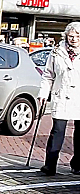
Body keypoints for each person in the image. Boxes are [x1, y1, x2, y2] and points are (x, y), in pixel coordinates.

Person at [38, 22, 80, 176]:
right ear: (66, 37)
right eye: (71, 36)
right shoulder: (56, 52)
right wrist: (43, 93)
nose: (74, 39)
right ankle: (50, 165)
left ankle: (78, 164)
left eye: (77, 36)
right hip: (61, 96)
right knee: (57, 131)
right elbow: (48, 75)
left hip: (79, 98)